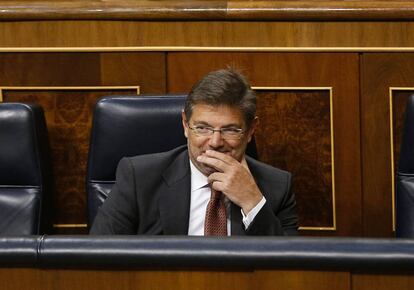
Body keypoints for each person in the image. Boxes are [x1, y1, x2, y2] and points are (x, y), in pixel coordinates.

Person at [90, 68, 298, 236]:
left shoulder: (277, 187)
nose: (215, 142)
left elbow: (290, 272)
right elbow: (98, 258)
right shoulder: (139, 178)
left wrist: (253, 202)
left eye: (230, 129)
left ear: (251, 130)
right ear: (185, 125)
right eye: (203, 128)